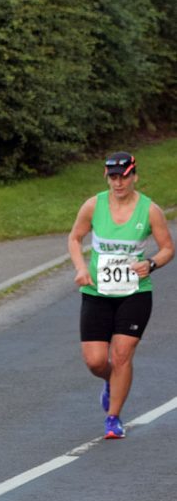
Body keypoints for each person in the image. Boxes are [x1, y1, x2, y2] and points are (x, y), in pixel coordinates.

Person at [68, 150, 173, 439]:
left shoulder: (150, 210)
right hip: (97, 291)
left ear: (135, 176)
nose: (118, 183)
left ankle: (113, 418)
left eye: (124, 177)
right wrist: (80, 267)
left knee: (123, 354)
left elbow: (167, 249)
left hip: (135, 293)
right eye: (113, 178)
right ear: (106, 177)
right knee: (96, 361)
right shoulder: (93, 206)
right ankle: (111, 380)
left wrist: (150, 263)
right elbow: (75, 238)